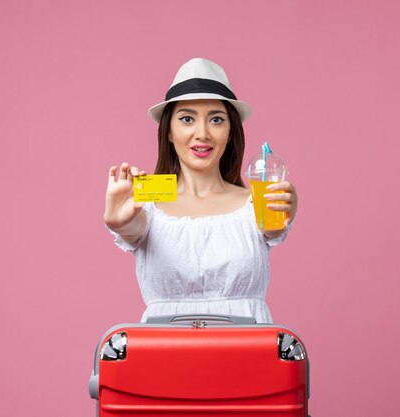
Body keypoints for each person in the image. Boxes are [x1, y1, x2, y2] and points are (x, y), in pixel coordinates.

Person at [103, 58, 298, 323]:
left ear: (230, 132)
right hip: (165, 357)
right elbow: (134, 227)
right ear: (169, 132)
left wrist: (283, 210)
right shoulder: (147, 202)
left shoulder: (255, 203)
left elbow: (272, 227)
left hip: (246, 358)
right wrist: (120, 222)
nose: (202, 133)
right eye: (187, 119)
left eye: (216, 119)